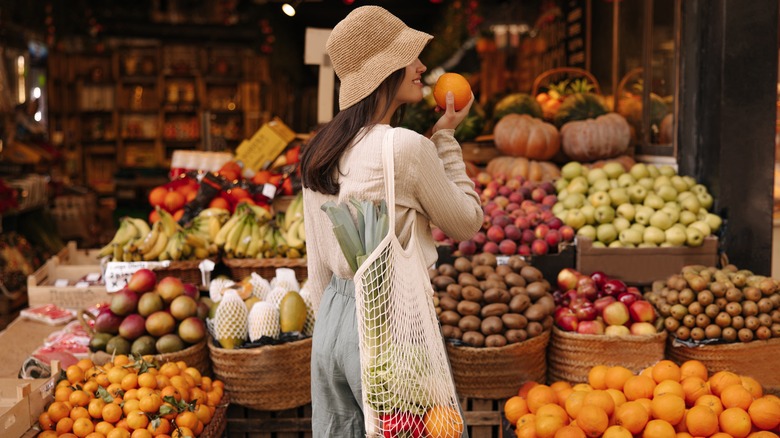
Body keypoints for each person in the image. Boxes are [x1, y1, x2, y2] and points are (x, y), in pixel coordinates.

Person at [300, 5, 483, 437]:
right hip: (387, 321)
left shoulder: (320, 150)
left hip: (331, 322)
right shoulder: (404, 148)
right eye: (410, 56)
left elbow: (318, 264)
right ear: (386, 70)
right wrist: (446, 138)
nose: (422, 66)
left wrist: (334, 328)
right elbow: (467, 221)